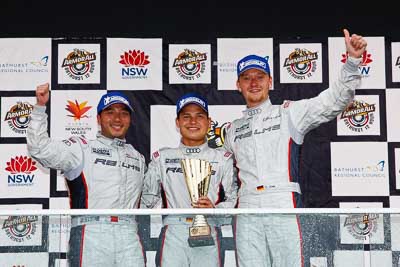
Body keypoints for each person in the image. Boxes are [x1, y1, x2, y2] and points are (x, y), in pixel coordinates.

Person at [224, 29, 367, 267]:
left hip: (283, 202)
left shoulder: (289, 112)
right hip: (246, 208)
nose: (254, 82)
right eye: (247, 78)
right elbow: (224, 180)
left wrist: (352, 62)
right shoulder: (232, 130)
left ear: (270, 81)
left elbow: (334, 100)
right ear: (238, 85)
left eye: (260, 76)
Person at [26, 83, 146, 267]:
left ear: (130, 119)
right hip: (91, 233)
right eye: (110, 112)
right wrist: (40, 108)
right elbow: (39, 149)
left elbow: (147, 200)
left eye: (123, 113)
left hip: (129, 234)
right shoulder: (81, 148)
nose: (117, 118)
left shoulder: (138, 157)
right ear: (98, 118)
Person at [141, 92, 237, 267]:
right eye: (186, 116)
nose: (193, 122)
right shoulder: (161, 158)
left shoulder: (223, 158)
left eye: (199, 116)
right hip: (173, 231)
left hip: (210, 228)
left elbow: (236, 200)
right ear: (178, 123)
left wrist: (216, 209)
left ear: (208, 123)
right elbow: (145, 200)